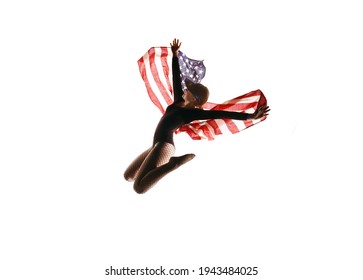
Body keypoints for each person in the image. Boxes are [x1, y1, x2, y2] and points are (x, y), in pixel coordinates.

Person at [124, 38, 270, 194]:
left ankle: (174, 163)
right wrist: (174, 55)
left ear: (194, 98)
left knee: (139, 188)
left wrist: (250, 116)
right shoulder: (179, 101)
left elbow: (221, 114)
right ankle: (168, 164)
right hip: (156, 145)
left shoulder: (192, 113)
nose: (185, 90)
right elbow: (176, 79)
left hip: (165, 146)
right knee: (129, 176)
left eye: (189, 90)